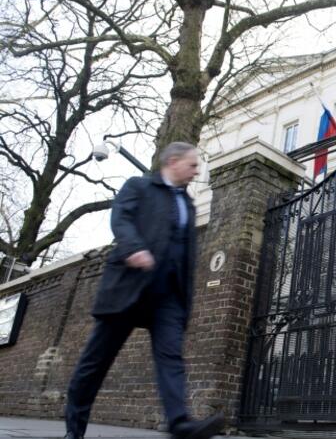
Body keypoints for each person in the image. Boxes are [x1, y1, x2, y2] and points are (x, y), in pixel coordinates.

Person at [64, 142, 223, 439]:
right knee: (95, 363)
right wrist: (134, 248)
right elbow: (121, 219)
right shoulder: (138, 186)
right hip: (129, 286)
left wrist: (185, 303)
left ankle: (179, 423)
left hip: (168, 297)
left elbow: (187, 256)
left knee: (171, 358)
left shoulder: (188, 204)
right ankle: (74, 430)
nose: (196, 171)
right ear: (173, 161)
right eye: (192, 165)